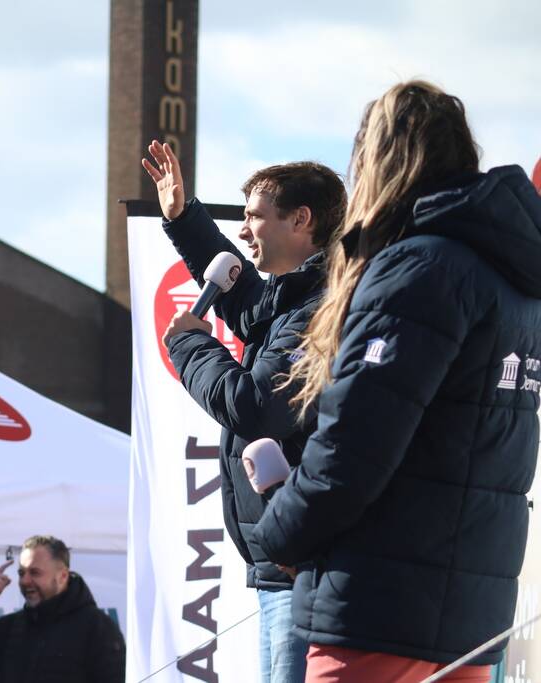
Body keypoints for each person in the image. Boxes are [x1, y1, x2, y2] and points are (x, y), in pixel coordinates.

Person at [252, 81, 541, 682]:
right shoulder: (514, 282)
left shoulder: (420, 266)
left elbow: (352, 451)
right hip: (471, 621)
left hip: (377, 610)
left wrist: (278, 529)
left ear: (379, 160)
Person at [143, 142, 346, 683]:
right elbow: (249, 304)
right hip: (283, 566)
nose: (244, 231)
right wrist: (183, 219)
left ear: (301, 220)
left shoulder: (319, 308)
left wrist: (188, 347)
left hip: (303, 567)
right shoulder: (295, 298)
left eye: (255, 217)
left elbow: (254, 410)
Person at [0, 535, 126, 682]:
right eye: (22, 573)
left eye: (35, 572)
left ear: (63, 576)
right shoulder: (7, 629)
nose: (25, 581)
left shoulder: (97, 628)